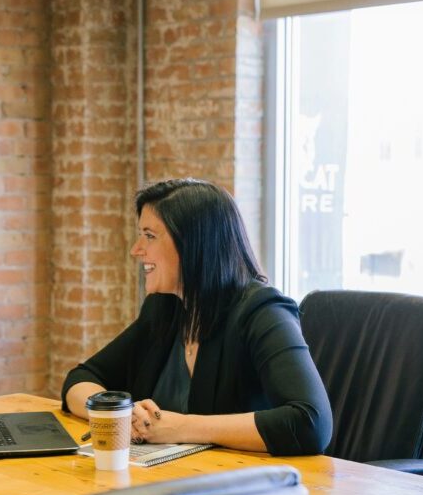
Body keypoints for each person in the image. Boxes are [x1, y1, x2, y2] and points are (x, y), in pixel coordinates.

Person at [61, 178, 333, 456]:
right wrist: (120, 415)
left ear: (194, 244)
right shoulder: (165, 308)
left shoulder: (263, 311)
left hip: (244, 486)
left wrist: (179, 427)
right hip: (176, 480)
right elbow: (81, 377)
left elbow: (310, 423)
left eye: (150, 236)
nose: (136, 249)